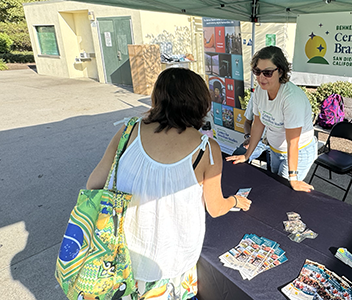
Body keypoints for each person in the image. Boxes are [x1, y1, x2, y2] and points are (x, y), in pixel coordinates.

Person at [87, 68, 251, 299]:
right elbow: (215, 208)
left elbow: (94, 184)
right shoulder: (206, 149)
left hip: (119, 256)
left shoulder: (129, 130)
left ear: (157, 98)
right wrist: (235, 200)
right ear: (201, 103)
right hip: (172, 263)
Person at [226, 46, 317, 192]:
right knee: (272, 189)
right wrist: (246, 156)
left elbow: (292, 142)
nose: (261, 77)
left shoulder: (291, 99)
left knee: (281, 192)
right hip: (275, 150)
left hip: (298, 151)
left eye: (267, 73)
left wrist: (293, 178)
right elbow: (258, 124)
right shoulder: (260, 92)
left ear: (280, 71)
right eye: (257, 71)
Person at [231, 94, 270, 168]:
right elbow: (247, 122)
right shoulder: (257, 96)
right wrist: (249, 137)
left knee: (277, 175)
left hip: (277, 144)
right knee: (237, 158)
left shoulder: (286, 99)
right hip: (258, 140)